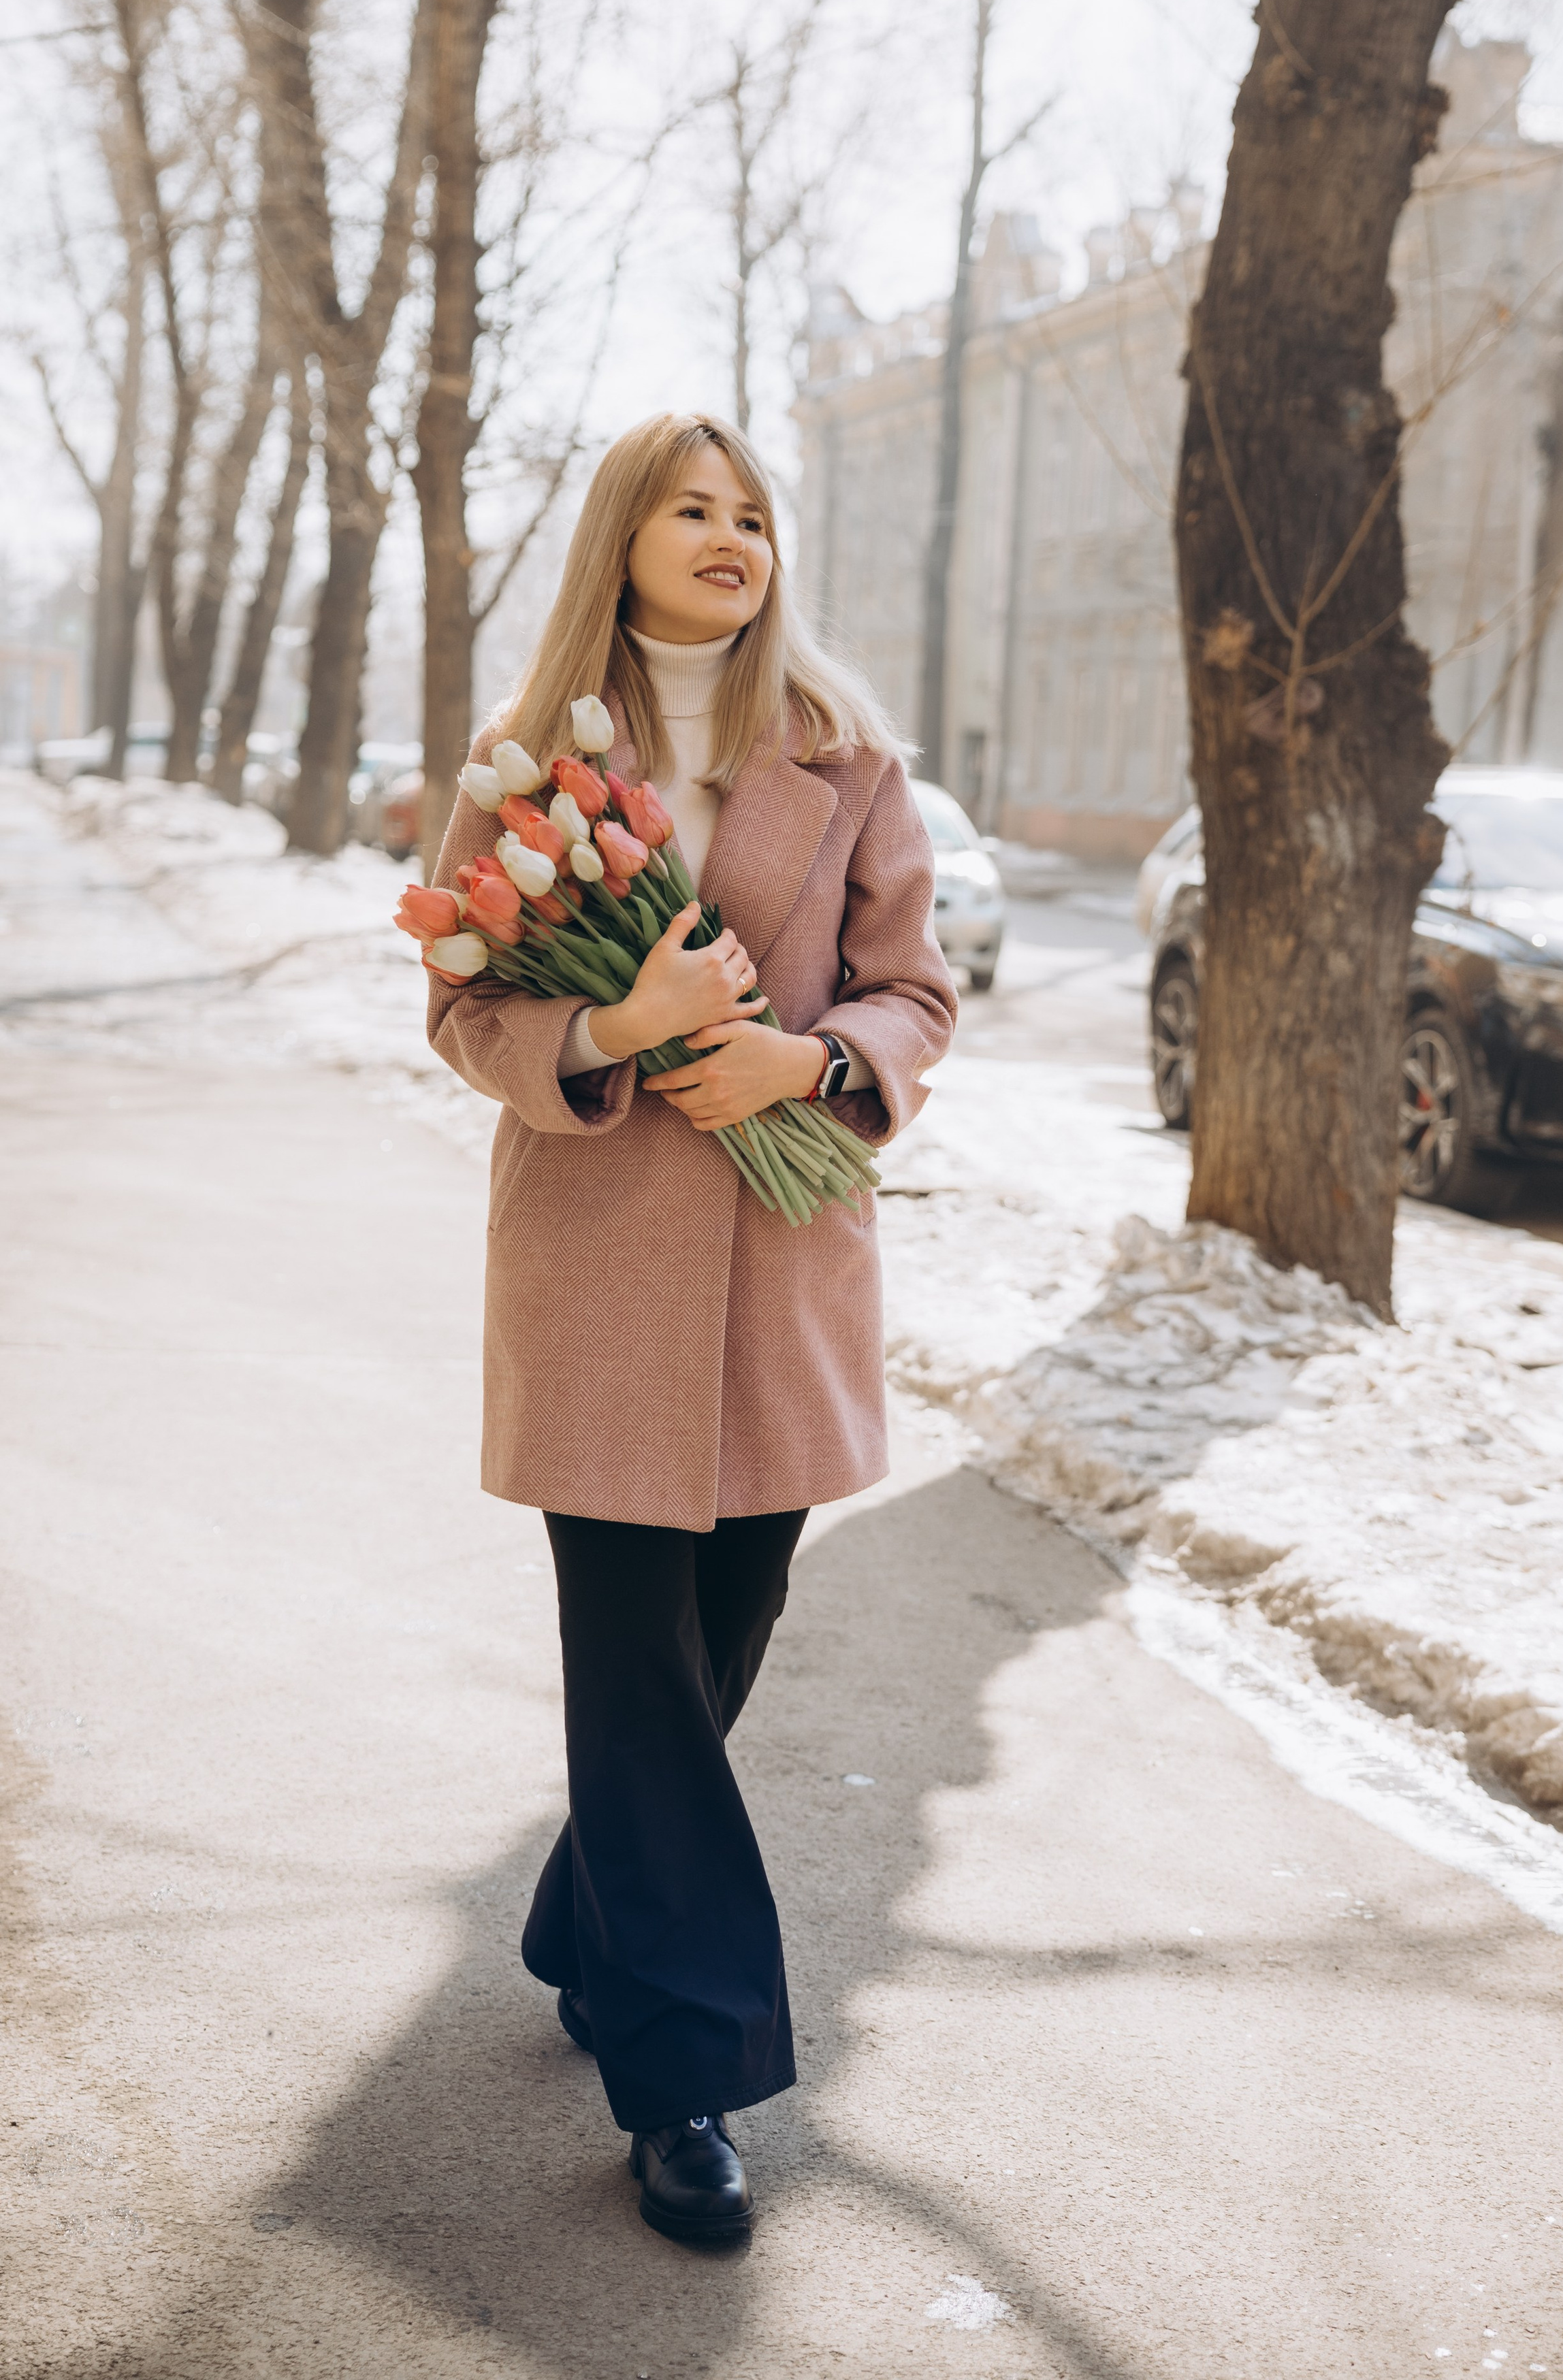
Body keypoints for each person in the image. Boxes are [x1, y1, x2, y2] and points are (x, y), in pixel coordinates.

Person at [426, 412, 956, 2243]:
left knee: (723, 1640)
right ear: (624, 540)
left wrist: (805, 1063)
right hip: (594, 1271)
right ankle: (686, 2075)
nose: (733, 536)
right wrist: (615, 1029)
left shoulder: (846, 757)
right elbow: (465, 1009)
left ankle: (591, 1923)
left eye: (753, 513)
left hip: (782, 1266)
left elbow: (915, 993)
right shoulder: (525, 765)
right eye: (692, 509)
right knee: (635, 1665)